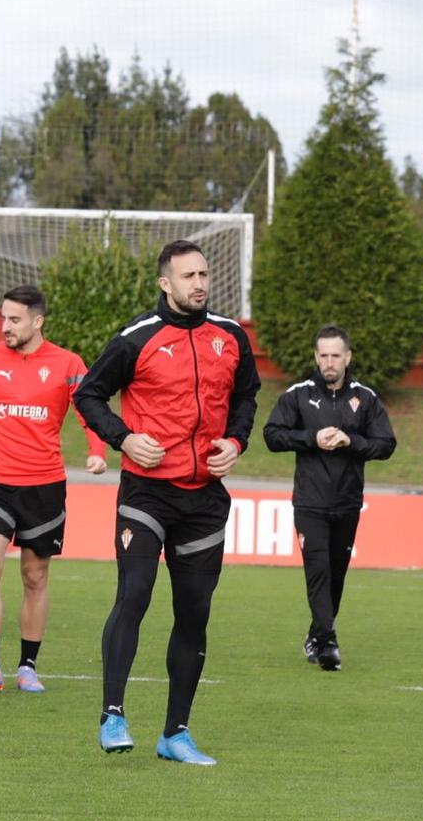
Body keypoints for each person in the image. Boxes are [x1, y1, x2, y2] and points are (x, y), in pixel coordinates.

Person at [74, 239, 259, 765]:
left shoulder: (231, 336)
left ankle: (175, 734)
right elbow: (88, 394)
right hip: (146, 493)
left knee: (194, 614)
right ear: (165, 283)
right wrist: (124, 438)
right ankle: (113, 714)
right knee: (134, 595)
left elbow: (247, 394)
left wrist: (237, 440)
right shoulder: (137, 339)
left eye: (203, 274)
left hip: (204, 499)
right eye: (188, 276)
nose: (199, 283)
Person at [0, 285, 107, 694]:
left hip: (44, 484)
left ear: (37, 321)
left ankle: (28, 665)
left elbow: (89, 410)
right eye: (1, 318)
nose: (4, 327)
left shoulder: (67, 363)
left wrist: (97, 451)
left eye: (14, 320)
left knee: (35, 575)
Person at [262, 324, 395, 672]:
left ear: (348, 357)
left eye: (336, 355)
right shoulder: (299, 395)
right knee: (318, 571)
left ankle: (315, 634)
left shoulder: (365, 398)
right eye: (324, 355)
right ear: (316, 357)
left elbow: (386, 444)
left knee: (336, 575)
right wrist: (311, 438)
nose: (330, 362)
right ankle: (328, 642)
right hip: (309, 503)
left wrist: (352, 441)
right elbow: (272, 435)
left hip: (348, 502)